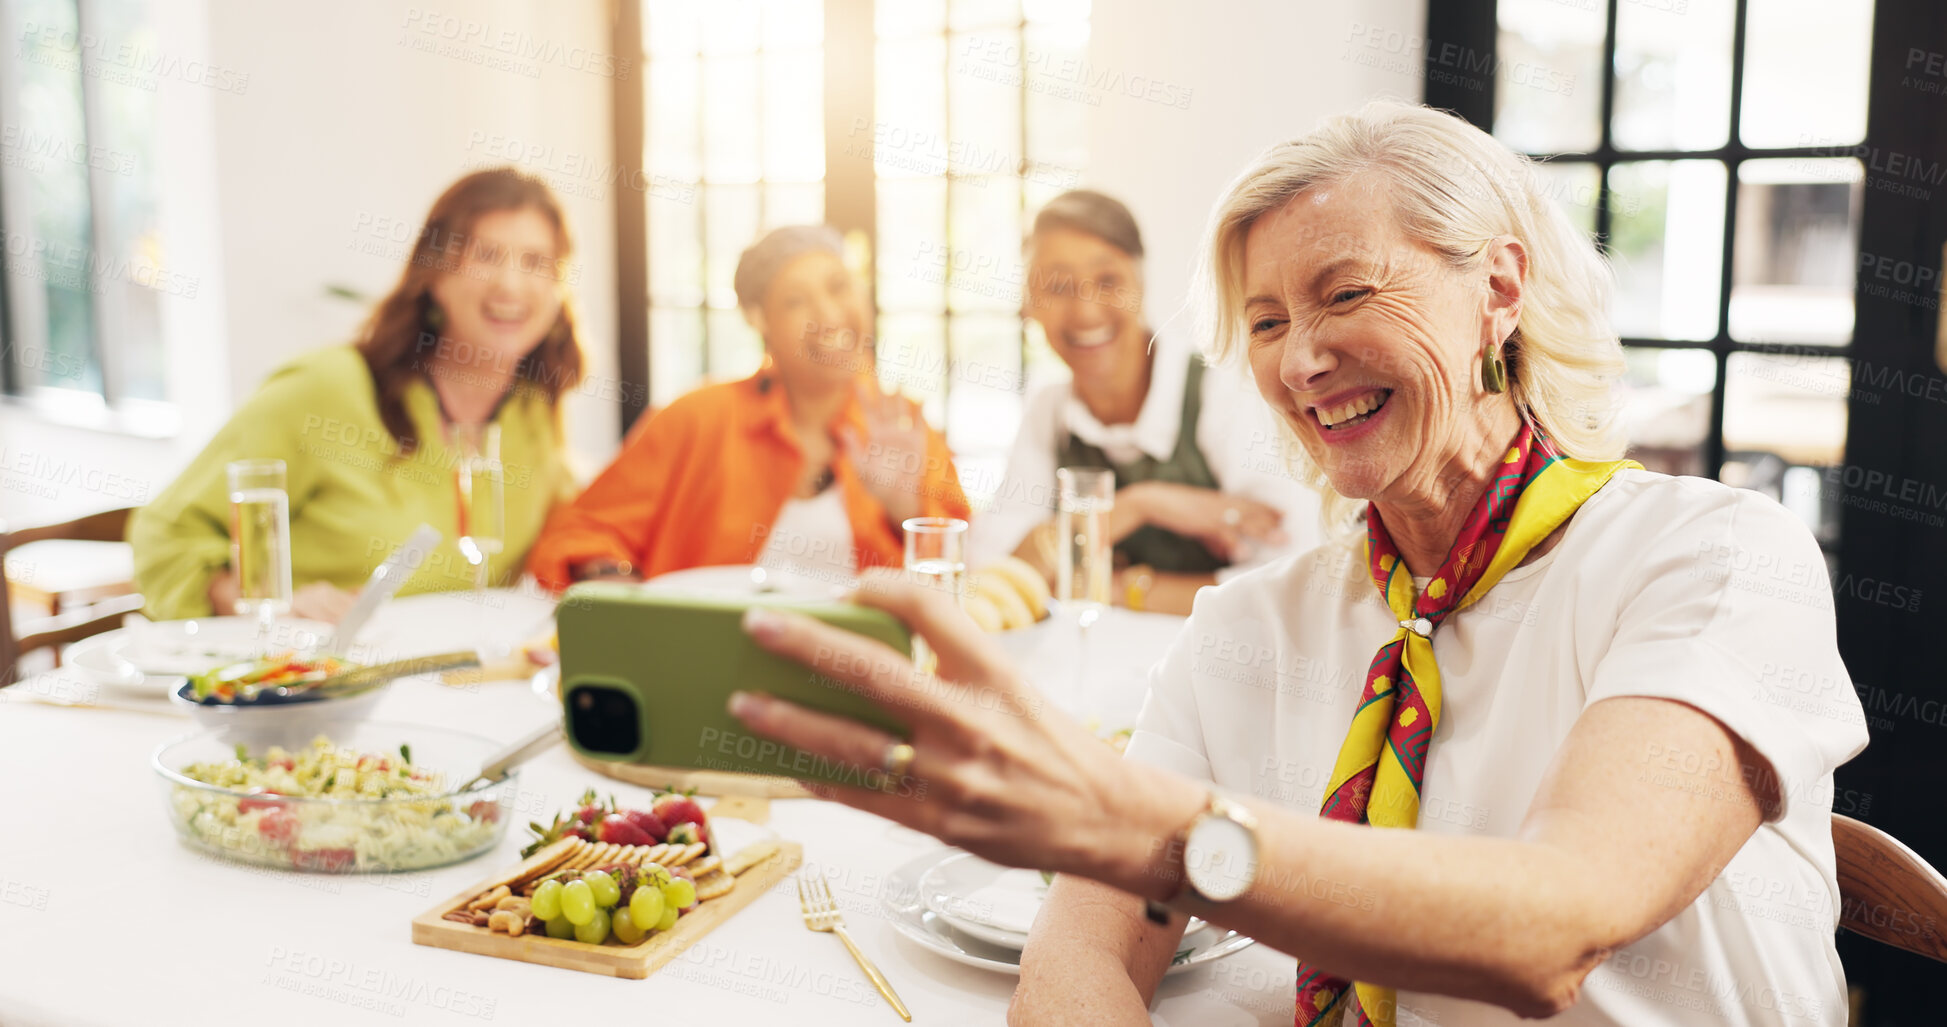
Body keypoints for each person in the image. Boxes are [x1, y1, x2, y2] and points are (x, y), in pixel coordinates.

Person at [722, 102, 1868, 1026]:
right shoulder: (1248, 630)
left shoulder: (1714, 556)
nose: (1304, 358)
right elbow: (1075, 959)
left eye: (1348, 292)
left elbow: (1557, 926)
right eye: (1266, 322)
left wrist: (1130, 820)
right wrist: (1106, 850)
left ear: (1499, 292)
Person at [130, 168, 584, 623]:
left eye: (536, 262)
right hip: (310, 676)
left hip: (446, 681)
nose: (511, 284)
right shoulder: (327, 388)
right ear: (434, 273)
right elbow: (164, 535)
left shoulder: (532, 410)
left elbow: (581, 528)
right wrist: (271, 605)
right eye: (485, 255)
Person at [526, 225, 971, 591]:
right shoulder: (696, 419)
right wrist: (625, 591)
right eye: (797, 301)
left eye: (839, 288)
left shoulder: (902, 429)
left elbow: (968, 588)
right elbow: (579, 534)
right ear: (759, 319)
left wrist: (902, 507)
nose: (828, 315)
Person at [972, 189, 1320, 615]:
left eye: (1108, 281)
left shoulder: (1221, 391)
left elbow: (1289, 581)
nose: (1085, 312)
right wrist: (1140, 505)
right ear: (1029, 303)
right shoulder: (1050, 410)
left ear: (1141, 282)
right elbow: (999, 573)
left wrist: (1120, 588)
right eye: (1058, 286)